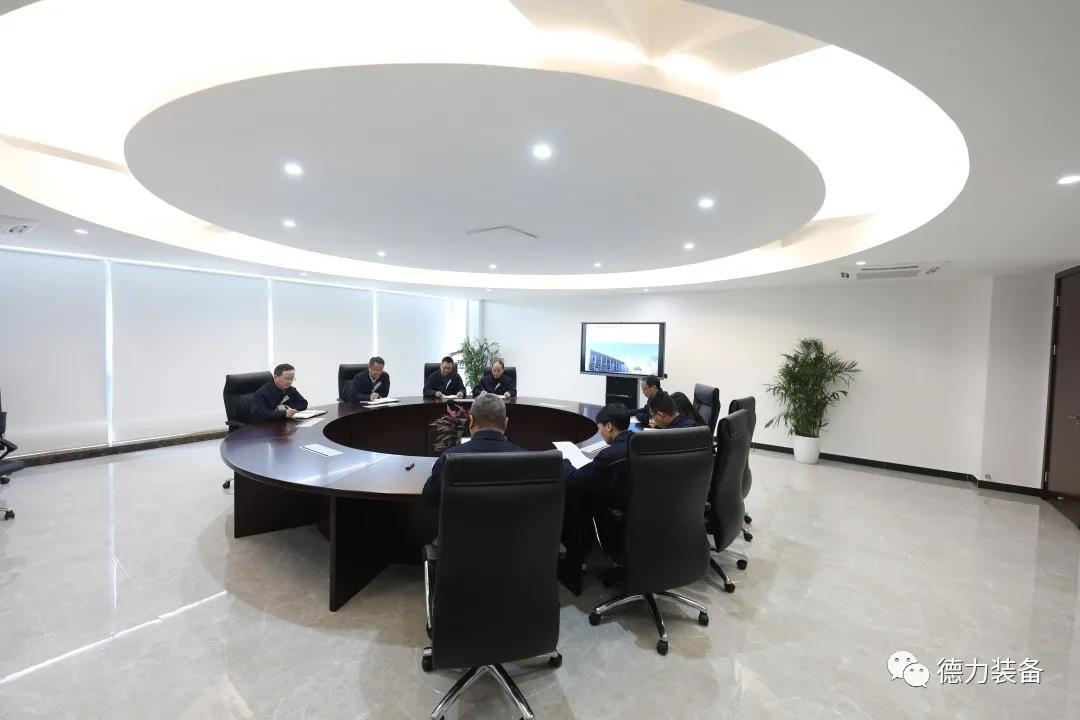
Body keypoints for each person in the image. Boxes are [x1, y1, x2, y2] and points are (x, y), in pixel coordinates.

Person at [422, 393, 521, 508]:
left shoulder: (450, 457)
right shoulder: (524, 459)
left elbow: (429, 499)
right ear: (505, 424)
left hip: (459, 520)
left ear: (471, 421)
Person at [562, 403, 632, 509]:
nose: (599, 433)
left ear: (609, 426)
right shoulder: (640, 445)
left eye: (599, 428)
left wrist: (565, 462)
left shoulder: (608, 456)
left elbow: (574, 481)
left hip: (612, 512)